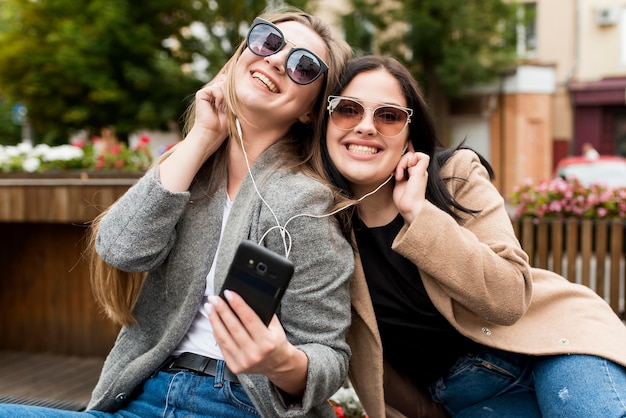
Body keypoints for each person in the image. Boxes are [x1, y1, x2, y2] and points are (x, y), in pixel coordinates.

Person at [0, 8, 354, 418]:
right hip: (142, 394)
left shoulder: (308, 203)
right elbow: (120, 249)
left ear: (310, 110)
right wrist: (202, 137)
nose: (276, 60)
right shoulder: (189, 167)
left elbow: (329, 356)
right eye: (268, 41)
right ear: (241, 57)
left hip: (237, 402)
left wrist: (280, 361)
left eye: (303, 66)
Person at [321, 55, 626, 418]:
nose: (366, 127)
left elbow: (508, 297)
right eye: (348, 110)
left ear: (408, 137)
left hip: (556, 347)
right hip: (471, 397)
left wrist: (418, 213)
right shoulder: (320, 223)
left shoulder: (456, 175)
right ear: (324, 122)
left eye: (389, 116)